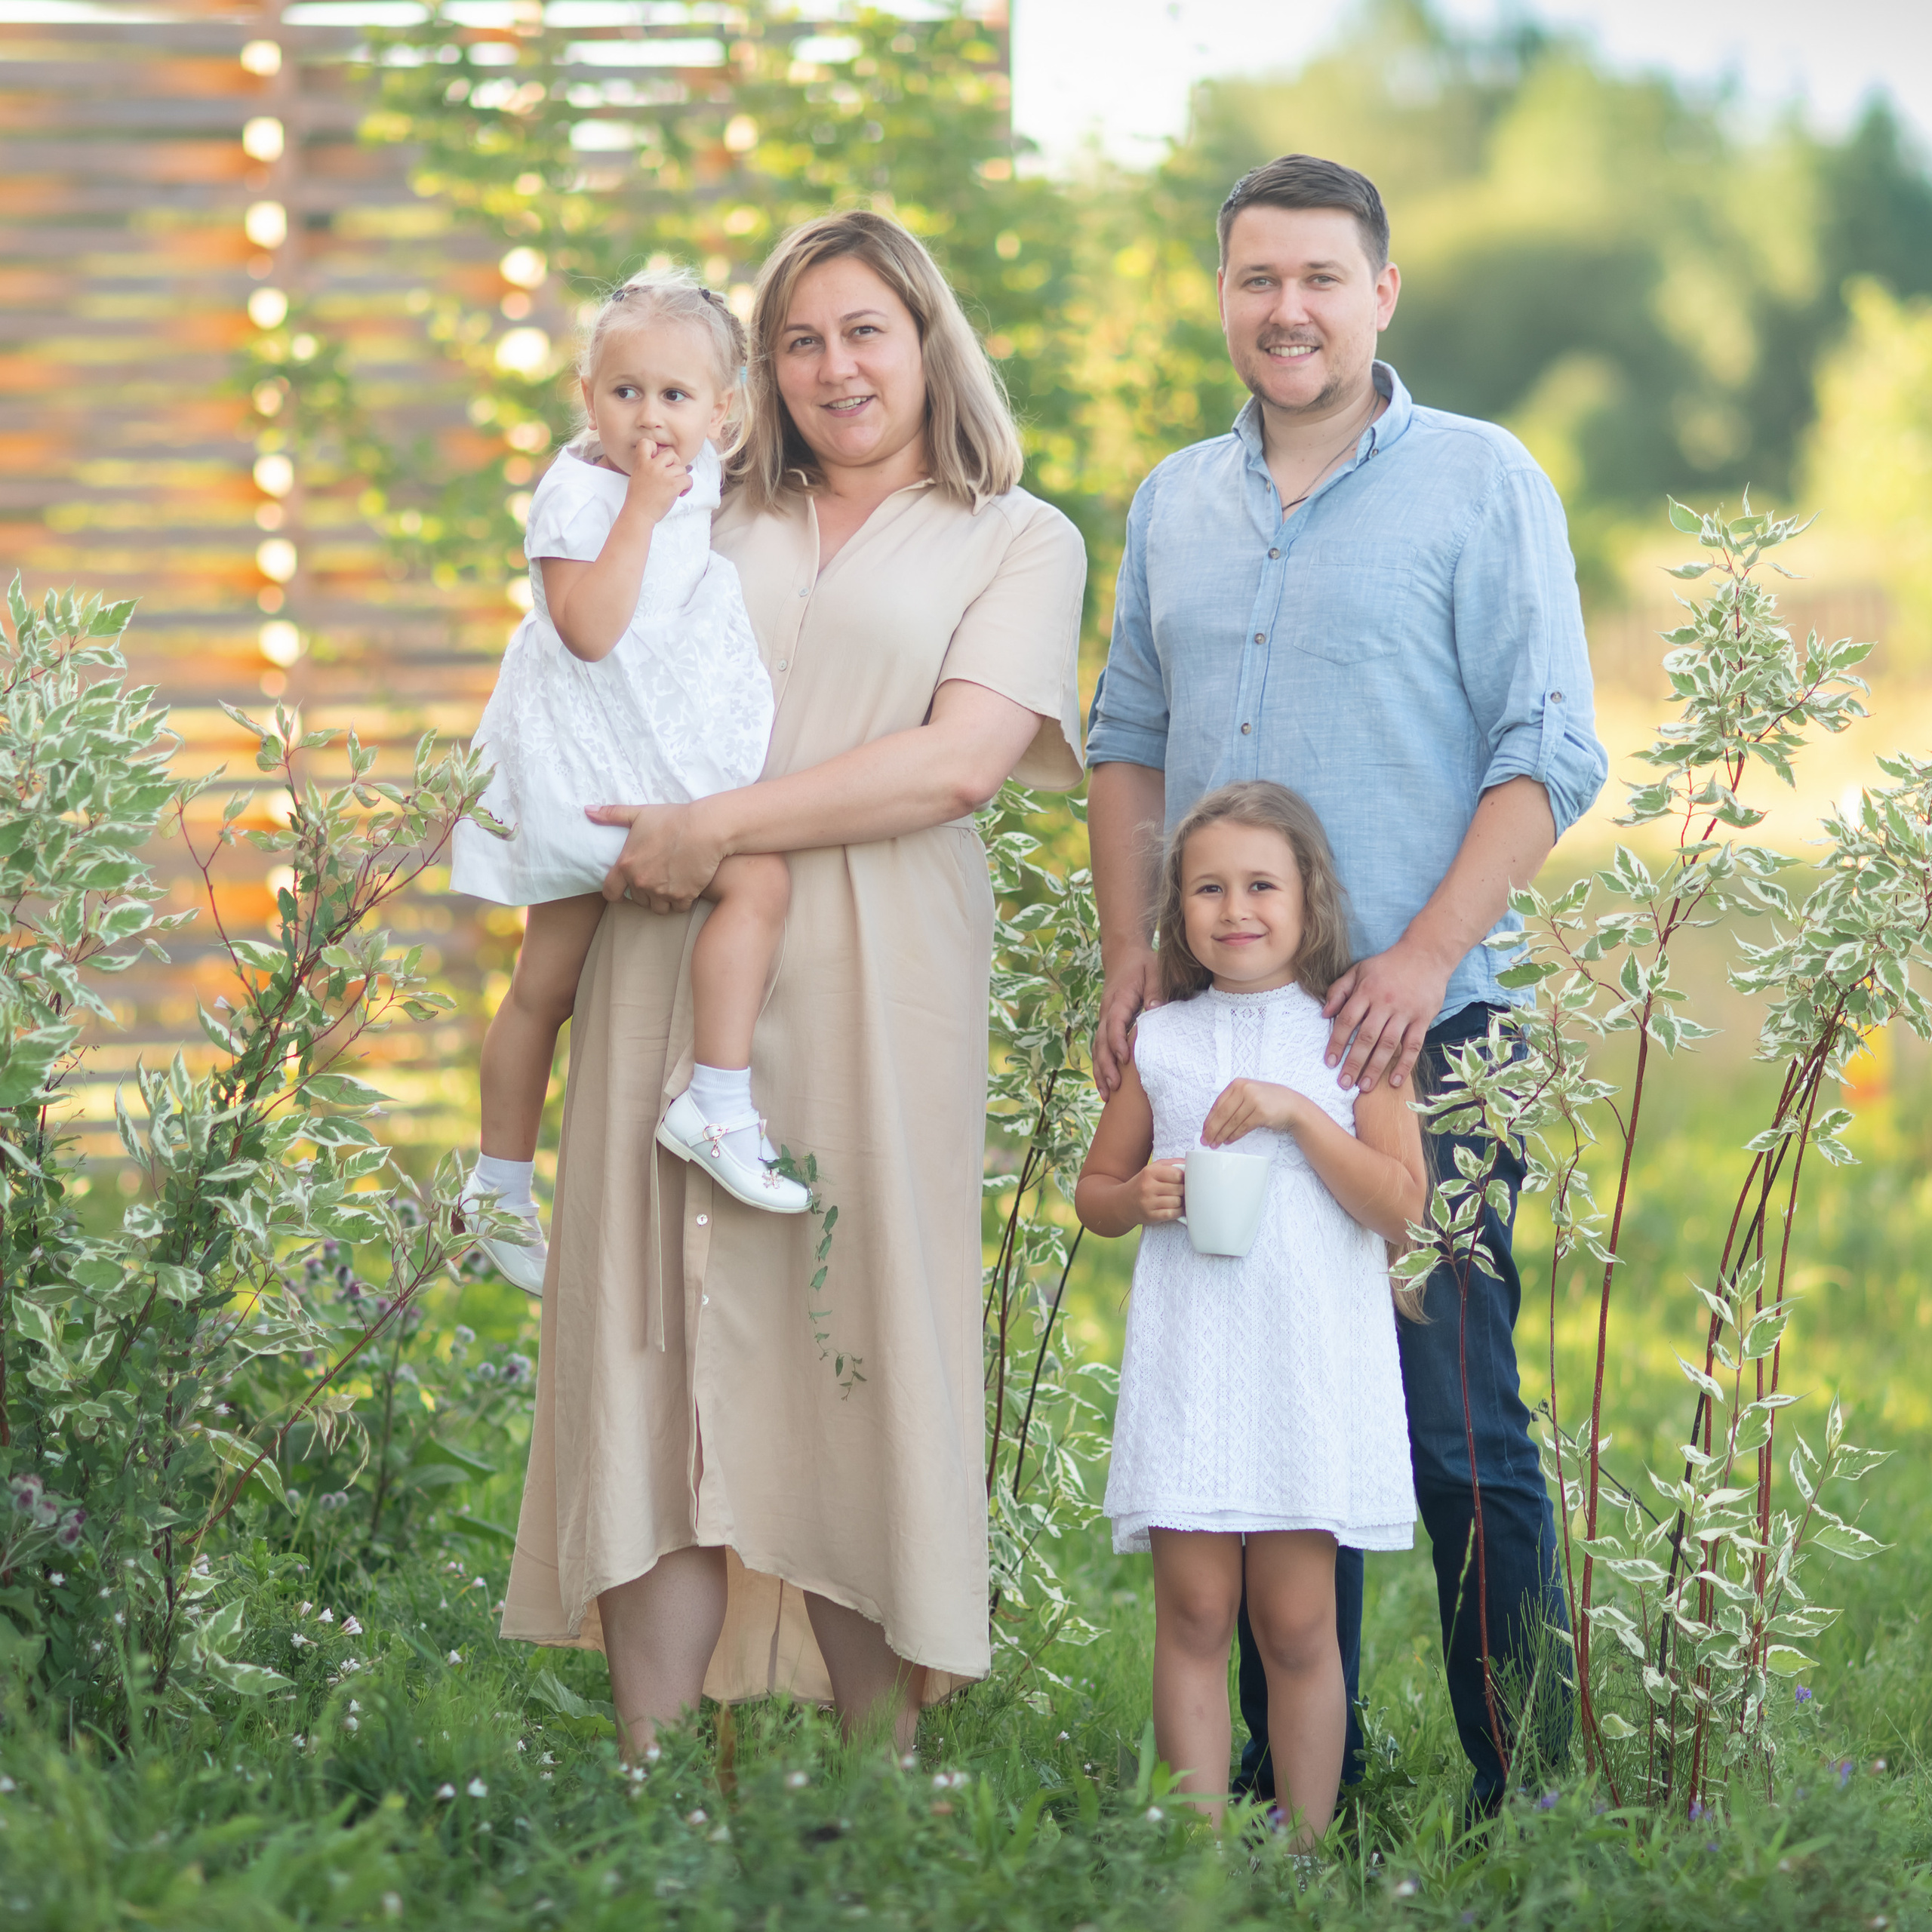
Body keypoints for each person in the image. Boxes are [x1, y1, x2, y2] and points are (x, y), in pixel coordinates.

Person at [499, 211, 1088, 1758]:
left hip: (878, 972)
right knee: (654, 1330)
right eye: (801, 340)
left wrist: (717, 828)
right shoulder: (697, 504)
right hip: (657, 957)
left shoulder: (1015, 535)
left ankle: (876, 1782)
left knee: (858, 1326)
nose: (834, 367)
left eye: (865, 331)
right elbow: (576, 654)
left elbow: (955, 764)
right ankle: (646, 1777)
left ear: (927, 344)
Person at [1085, 153, 1609, 1814]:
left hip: (1421, 1030)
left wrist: (1421, 950)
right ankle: (1289, 1777)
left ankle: (1518, 1785)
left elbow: (1548, 748)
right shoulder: (1174, 497)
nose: (1285, 309)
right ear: (1223, 295)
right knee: (1260, 1413)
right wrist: (1123, 951)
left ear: (1380, 292)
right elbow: (1124, 744)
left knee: (1453, 1417)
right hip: (1221, 1043)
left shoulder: (1477, 480)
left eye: (1319, 276)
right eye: (1255, 279)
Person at [1076, 781, 1423, 1840]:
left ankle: (1304, 1852)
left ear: (1309, 898)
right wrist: (1136, 1200)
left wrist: (1299, 1116)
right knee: (1191, 1612)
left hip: (1304, 1371)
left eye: (1261, 885)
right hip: (1192, 1364)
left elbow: (1400, 1208)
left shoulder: (1350, 1037)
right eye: (1209, 888)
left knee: (1298, 1619)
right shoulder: (1164, 1041)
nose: (1236, 909)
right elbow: (1095, 1192)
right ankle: (1200, 1854)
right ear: (1178, 909)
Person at [451, 269, 808, 1296]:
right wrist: (641, 510)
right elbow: (591, 631)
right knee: (745, 887)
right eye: (626, 392)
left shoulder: (701, 474)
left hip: (634, 752)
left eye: (676, 398)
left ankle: (510, 1183)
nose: (649, 418)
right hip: (582, 765)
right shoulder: (581, 492)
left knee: (555, 982)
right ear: (586, 392)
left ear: (722, 415)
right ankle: (685, 1114)